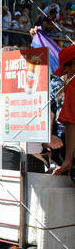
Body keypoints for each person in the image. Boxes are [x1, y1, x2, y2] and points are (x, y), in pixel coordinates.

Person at [52, 45, 75, 177]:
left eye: (65, 68)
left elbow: (71, 124)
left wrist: (67, 160)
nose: (65, 72)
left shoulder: (72, 86)